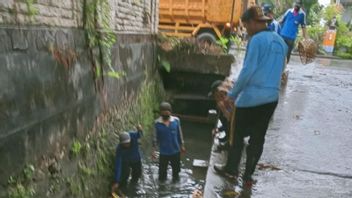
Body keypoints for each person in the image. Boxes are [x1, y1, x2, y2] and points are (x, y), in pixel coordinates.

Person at [214, 6, 288, 187]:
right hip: (271, 98)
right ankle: (248, 176)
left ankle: (231, 170)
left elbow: (247, 71)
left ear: (254, 23)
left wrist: (232, 95)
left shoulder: (256, 41)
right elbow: (282, 69)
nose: (246, 29)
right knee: (258, 137)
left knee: (237, 135)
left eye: (246, 25)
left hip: (251, 99)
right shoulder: (281, 42)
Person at [153, 102, 186, 182]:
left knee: (176, 171)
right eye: (163, 114)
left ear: (170, 112)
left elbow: (179, 133)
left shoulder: (176, 121)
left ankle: (175, 185)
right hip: (163, 152)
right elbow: (155, 137)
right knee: (162, 174)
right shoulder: (157, 123)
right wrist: (153, 150)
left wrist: (182, 145)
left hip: (175, 150)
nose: (165, 115)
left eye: (167, 113)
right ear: (160, 113)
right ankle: (162, 190)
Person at [111, 125, 143, 196]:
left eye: (128, 143)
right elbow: (118, 165)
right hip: (126, 161)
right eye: (124, 144)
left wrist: (140, 130)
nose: (127, 145)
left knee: (137, 175)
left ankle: (133, 188)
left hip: (136, 158)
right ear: (121, 143)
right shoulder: (119, 149)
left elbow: (140, 135)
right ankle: (123, 190)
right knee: (124, 175)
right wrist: (116, 181)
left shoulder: (133, 135)